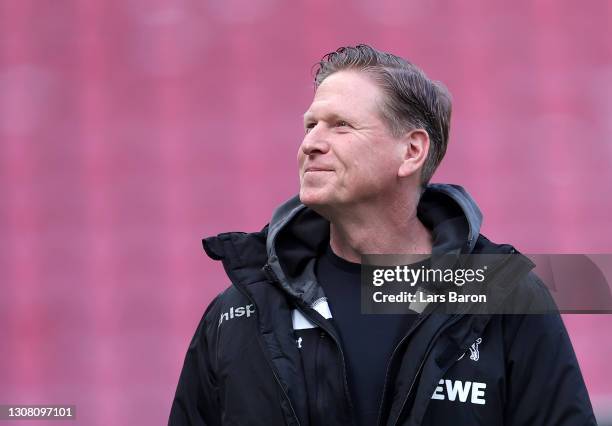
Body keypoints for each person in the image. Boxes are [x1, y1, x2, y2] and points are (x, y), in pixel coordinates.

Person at [169, 44, 596, 425]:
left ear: (411, 151)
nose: (311, 144)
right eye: (310, 125)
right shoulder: (240, 310)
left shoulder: (506, 296)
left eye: (340, 125)